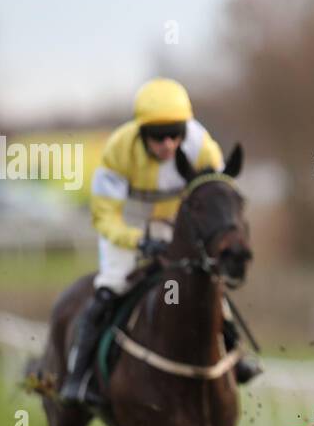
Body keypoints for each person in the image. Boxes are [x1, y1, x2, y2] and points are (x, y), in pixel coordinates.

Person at [59, 77, 259, 405]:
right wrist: (138, 241)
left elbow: (213, 197)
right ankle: (78, 376)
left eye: (175, 133)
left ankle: (235, 356)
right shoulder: (117, 152)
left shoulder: (201, 146)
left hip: (172, 219)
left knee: (207, 280)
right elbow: (105, 216)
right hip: (128, 222)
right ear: (141, 132)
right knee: (112, 285)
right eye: (157, 135)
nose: (168, 143)